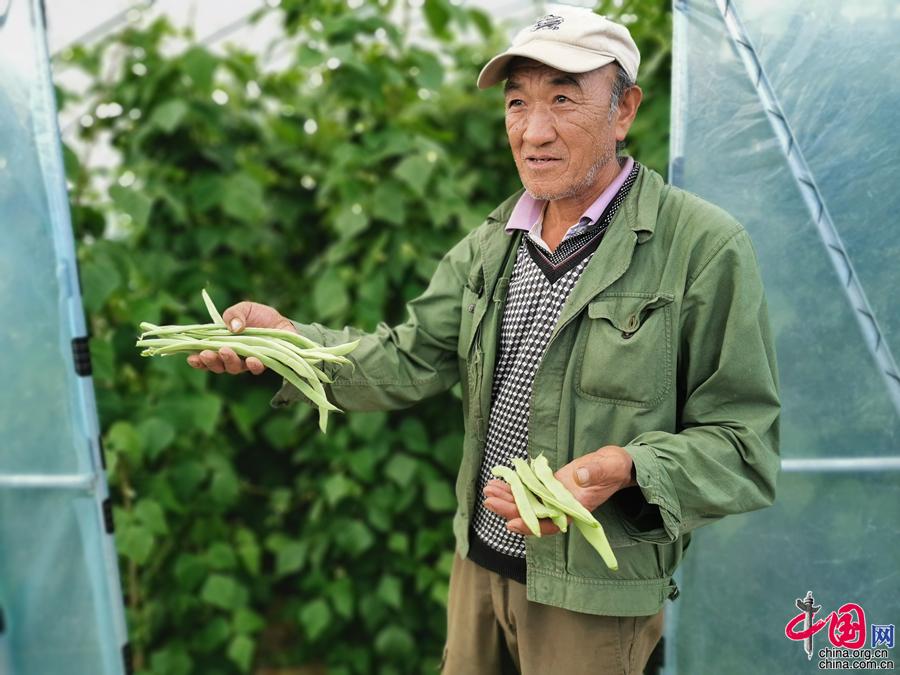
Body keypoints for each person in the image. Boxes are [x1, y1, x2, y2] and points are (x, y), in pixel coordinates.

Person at [187, 6, 781, 674]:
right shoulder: (493, 244)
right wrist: (292, 344)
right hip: (479, 570)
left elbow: (742, 445)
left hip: (591, 595)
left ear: (623, 111)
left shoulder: (699, 247)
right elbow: (410, 355)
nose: (534, 131)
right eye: (518, 102)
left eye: (563, 99)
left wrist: (620, 467)